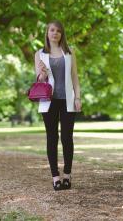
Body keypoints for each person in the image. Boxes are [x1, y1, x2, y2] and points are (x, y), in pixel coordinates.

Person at [34, 20, 81, 191]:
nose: (55, 33)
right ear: (47, 33)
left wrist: (78, 97)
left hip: (67, 100)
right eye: (52, 30)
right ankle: (55, 177)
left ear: (62, 34)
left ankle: (67, 175)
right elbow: (39, 81)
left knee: (67, 138)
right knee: (52, 138)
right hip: (49, 101)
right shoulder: (39, 54)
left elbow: (75, 77)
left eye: (58, 31)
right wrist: (42, 73)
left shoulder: (69, 53)